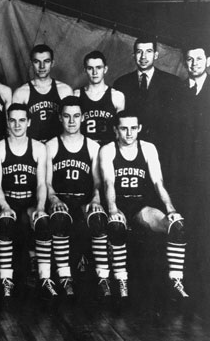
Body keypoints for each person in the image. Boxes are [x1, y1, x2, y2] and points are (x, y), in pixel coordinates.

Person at [99, 110, 188, 299]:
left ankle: (176, 280)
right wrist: (113, 209)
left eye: (133, 128)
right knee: (116, 225)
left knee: (176, 225)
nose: (129, 133)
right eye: (124, 128)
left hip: (140, 206)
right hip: (117, 203)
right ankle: (121, 280)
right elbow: (108, 182)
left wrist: (170, 208)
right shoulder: (108, 149)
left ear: (139, 128)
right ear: (115, 130)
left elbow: (158, 182)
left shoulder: (148, 148)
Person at [45, 96, 110, 298]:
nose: (71, 121)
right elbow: (46, 182)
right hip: (61, 201)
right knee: (60, 218)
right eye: (67, 116)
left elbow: (97, 182)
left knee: (98, 218)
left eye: (76, 116)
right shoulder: (51, 145)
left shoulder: (92, 146)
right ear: (60, 118)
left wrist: (96, 199)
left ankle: (103, 277)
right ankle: (64, 276)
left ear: (83, 117)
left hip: (84, 200)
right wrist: (54, 199)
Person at [0, 104, 53, 299]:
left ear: (29, 122)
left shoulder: (39, 148)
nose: (17, 125)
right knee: (6, 222)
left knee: (41, 221)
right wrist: (4, 206)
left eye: (21, 120)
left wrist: (40, 207)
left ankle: (44, 276)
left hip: (30, 202)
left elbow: (41, 183)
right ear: (7, 123)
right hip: (8, 200)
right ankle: (6, 279)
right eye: (12, 120)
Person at [112, 37, 180, 169]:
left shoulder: (172, 83)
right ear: (133, 55)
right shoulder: (121, 83)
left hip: (163, 151)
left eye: (148, 51)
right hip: (131, 150)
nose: (143, 57)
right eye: (139, 52)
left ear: (156, 55)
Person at [178, 43, 210, 300]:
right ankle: (188, 285)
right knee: (189, 226)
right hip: (186, 174)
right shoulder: (177, 91)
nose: (194, 64)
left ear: (207, 61)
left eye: (199, 59)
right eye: (189, 59)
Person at [12, 44, 72, 143]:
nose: (42, 66)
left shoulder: (65, 90)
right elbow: (14, 128)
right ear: (31, 63)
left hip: (58, 147)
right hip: (32, 147)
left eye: (46, 61)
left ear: (52, 63)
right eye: (37, 62)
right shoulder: (21, 93)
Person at [74, 51, 125, 144]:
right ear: (85, 70)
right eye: (90, 68)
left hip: (109, 148)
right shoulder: (77, 95)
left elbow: (122, 129)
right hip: (84, 149)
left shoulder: (117, 96)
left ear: (105, 69)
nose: (95, 72)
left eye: (98, 67)